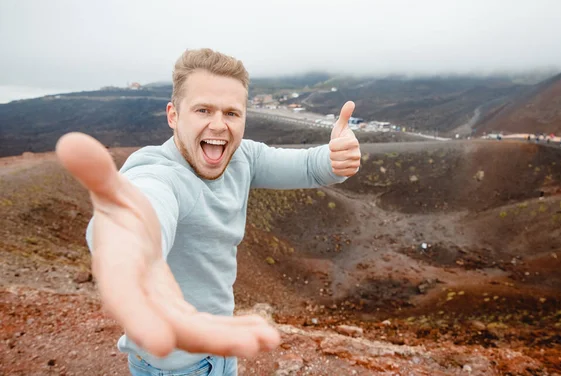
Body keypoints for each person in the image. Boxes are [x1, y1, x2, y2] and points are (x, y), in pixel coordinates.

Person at [55, 48, 361, 376]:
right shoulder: (160, 171)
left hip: (219, 350)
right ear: (173, 115)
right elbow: (139, 207)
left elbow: (310, 167)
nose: (219, 125)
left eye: (232, 113)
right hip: (174, 366)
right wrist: (129, 247)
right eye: (203, 110)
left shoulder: (243, 157)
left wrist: (336, 158)